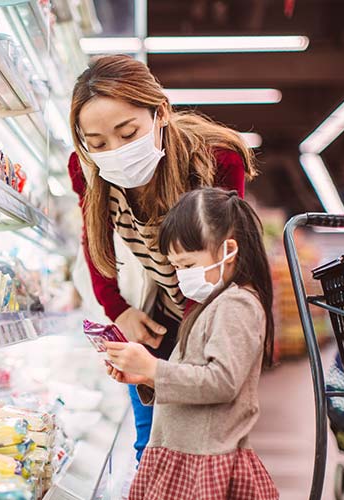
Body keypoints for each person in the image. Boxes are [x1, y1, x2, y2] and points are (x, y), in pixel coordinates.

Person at [68, 54, 257, 462]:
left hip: (206, 309)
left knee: (198, 445)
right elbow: (94, 242)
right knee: (148, 448)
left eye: (128, 132)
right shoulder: (85, 169)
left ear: (162, 113)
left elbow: (222, 264)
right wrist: (118, 310)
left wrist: (180, 360)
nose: (114, 151)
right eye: (98, 143)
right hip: (153, 315)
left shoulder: (216, 159)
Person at [104, 188, 278, 499]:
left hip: (203, 462)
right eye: (175, 267)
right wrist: (145, 378)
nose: (180, 276)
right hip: (186, 456)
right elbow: (194, 375)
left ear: (229, 250)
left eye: (186, 265)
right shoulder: (212, 304)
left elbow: (221, 381)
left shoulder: (236, 305)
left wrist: (154, 368)